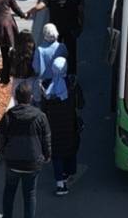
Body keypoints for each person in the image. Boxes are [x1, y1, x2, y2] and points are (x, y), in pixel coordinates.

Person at [0, 82, 51, 218]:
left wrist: (5, 153)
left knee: (9, 191)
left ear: (16, 97)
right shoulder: (40, 116)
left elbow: (0, 138)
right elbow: (46, 139)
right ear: (31, 97)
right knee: (30, 194)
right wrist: (47, 155)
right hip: (32, 163)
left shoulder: (8, 116)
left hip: (12, 163)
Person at [42, 56, 83, 196]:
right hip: (70, 124)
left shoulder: (46, 86)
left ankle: (60, 184)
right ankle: (69, 172)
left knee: (57, 154)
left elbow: (43, 107)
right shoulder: (72, 84)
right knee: (71, 148)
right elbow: (81, 103)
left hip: (52, 126)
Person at [27, 0, 82, 76]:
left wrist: (28, 13)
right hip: (71, 26)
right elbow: (80, 8)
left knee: (56, 48)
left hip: (58, 28)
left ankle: (57, 68)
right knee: (71, 48)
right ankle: (72, 70)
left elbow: (39, 7)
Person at [9, 29, 38, 102]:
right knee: (29, 96)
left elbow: (10, 65)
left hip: (17, 77)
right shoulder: (34, 51)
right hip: (30, 76)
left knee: (15, 97)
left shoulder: (14, 51)